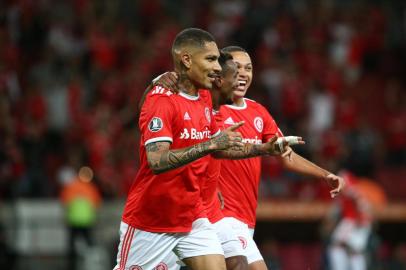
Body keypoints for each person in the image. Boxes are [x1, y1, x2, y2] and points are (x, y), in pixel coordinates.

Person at [151, 51, 301, 270]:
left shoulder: (221, 111)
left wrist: (263, 149)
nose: (240, 80)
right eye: (235, 75)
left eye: (246, 70)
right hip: (175, 207)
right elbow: (201, 149)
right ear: (220, 80)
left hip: (207, 209)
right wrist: (156, 82)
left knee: (237, 263)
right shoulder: (193, 104)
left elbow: (221, 151)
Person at [113, 28, 245, 270]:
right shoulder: (162, 100)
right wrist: (211, 144)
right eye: (210, 59)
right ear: (186, 60)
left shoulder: (204, 95)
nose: (217, 67)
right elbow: (157, 161)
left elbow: (212, 147)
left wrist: (264, 149)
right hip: (152, 219)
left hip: (191, 214)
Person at [217, 46, 345, 270]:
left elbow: (286, 155)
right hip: (219, 214)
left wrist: (325, 175)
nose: (243, 74)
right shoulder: (211, 109)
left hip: (245, 217)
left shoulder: (258, 112)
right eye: (236, 68)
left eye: (249, 68)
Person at [326, 170, 386, 270]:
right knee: (347, 250)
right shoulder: (344, 193)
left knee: (345, 250)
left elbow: (363, 207)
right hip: (354, 221)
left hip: (357, 222)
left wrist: (362, 220)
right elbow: (336, 208)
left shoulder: (353, 191)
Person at [60, 166, 102, 270]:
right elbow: (96, 204)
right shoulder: (91, 188)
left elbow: (65, 203)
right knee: (89, 245)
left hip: (74, 220)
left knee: (72, 247)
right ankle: (91, 266)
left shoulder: (71, 186)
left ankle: (72, 266)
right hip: (86, 221)